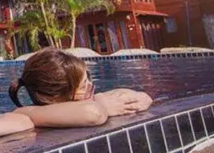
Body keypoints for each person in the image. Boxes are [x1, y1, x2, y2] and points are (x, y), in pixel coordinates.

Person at [9, 48, 152, 128]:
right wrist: (103, 105)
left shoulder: (80, 102)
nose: (91, 86)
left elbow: (145, 98)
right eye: (83, 86)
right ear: (53, 98)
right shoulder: (27, 115)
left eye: (88, 79)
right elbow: (94, 113)